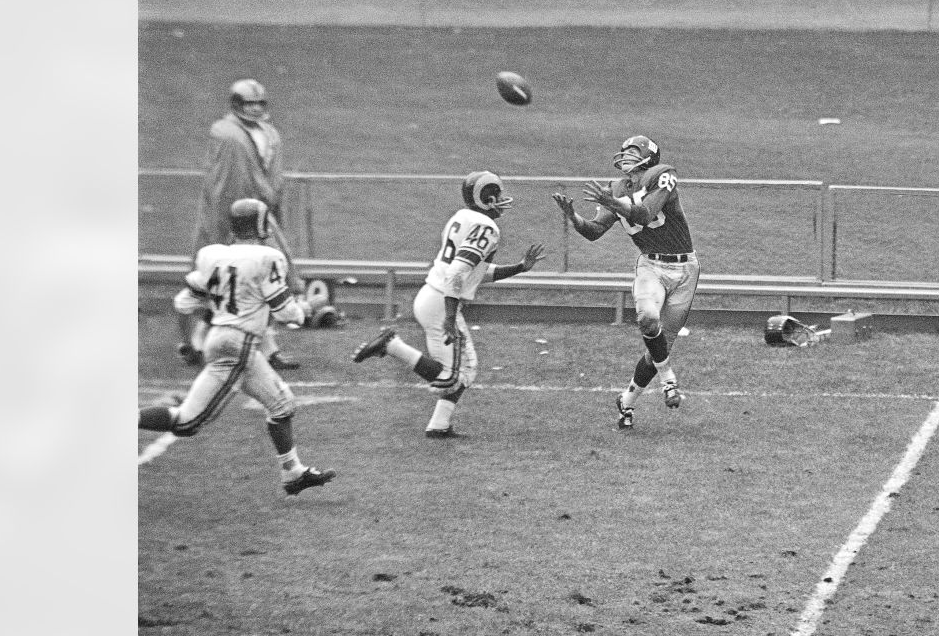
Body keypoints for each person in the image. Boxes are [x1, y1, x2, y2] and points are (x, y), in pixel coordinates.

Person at [139, 198, 337, 496]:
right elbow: (284, 313)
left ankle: (293, 473)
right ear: (261, 224)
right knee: (187, 423)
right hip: (238, 344)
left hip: (226, 340)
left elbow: (183, 303)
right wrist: (304, 310)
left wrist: (188, 344)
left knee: (282, 405)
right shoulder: (267, 257)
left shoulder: (213, 256)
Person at [350, 171, 546, 437]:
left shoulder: (461, 217)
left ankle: (439, 425)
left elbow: (476, 272)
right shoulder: (487, 227)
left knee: (465, 369)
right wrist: (451, 317)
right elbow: (457, 273)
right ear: (487, 198)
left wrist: (520, 267)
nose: (502, 200)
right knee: (452, 377)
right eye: (497, 195)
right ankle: (392, 346)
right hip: (442, 303)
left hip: (432, 297)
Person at [551, 135, 699, 430]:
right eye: (625, 151)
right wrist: (573, 217)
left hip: (685, 269)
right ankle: (669, 380)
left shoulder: (664, 176)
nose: (626, 155)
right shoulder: (618, 188)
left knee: (657, 348)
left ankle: (627, 401)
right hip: (651, 265)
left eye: (633, 151)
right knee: (647, 318)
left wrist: (612, 202)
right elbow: (594, 231)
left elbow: (645, 214)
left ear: (649, 157)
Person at [180, 78, 303, 371]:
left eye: (260, 103)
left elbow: (270, 175)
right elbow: (224, 183)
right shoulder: (226, 134)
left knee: (267, 275)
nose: (256, 109)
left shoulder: (268, 133)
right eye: (250, 104)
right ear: (237, 105)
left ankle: (267, 347)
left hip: (258, 212)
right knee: (221, 279)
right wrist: (233, 225)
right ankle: (194, 342)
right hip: (233, 217)